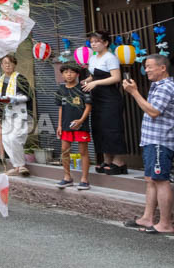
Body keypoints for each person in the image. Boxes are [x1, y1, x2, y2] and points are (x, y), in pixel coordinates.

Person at [122, 54, 174, 233]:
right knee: (150, 179)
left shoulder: (166, 86)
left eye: (150, 66)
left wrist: (134, 92)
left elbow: (153, 112)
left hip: (160, 140)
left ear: (162, 68)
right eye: (146, 66)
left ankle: (166, 224)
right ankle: (147, 218)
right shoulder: (157, 85)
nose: (146, 70)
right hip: (152, 139)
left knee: (160, 180)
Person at [83, 31, 128, 174]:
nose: (94, 44)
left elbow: (116, 77)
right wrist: (88, 81)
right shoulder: (93, 57)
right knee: (100, 128)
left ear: (106, 43)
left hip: (110, 98)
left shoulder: (111, 57)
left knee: (112, 128)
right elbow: (93, 75)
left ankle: (119, 162)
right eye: (92, 41)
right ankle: (107, 160)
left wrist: (95, 82)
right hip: (97, 98)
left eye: (97, 41)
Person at [0, 54, 33, 176]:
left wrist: (12, 99)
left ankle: (21, 165)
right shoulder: (0, 81)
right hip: (5, 114)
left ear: (14, 64)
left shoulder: (20, 78)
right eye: (5, 63)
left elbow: (26, 96)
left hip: (18, 113)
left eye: (10, 63)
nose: (7, 65)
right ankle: (17, 166)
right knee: (6, 140)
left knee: (15, 138)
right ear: (1, 65)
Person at [55, 64, 92, 190]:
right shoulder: (60, 90)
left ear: (77, 74)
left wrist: (81, 120)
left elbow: (88, 106)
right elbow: (60, 108)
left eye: (72, 72)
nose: (69, 74)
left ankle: (85, 179)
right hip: (65, 126)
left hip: (81, 126)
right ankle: (67, 177)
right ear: (62, 75)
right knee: (65, 151)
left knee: (83, 152)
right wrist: (59, 125)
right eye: (66, 72)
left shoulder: (83, 88)